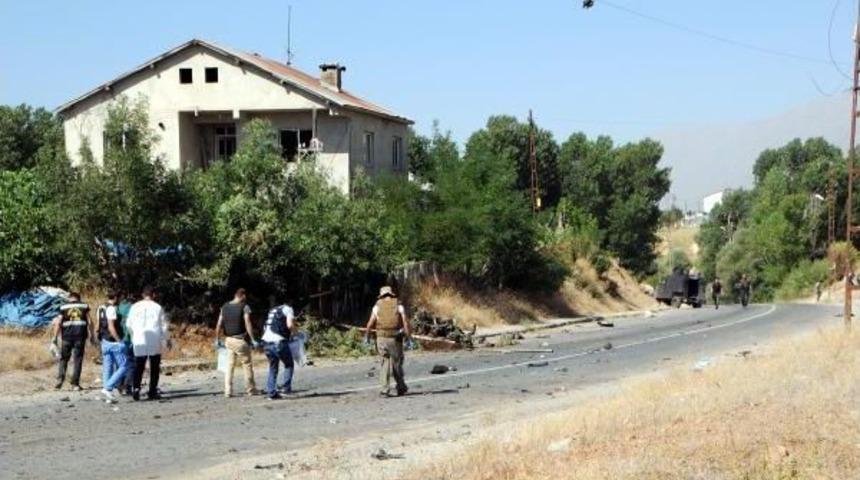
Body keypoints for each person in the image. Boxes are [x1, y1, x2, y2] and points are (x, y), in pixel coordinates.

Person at [364, 286, 414, 397]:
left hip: (381, 339)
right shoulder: (399, 306)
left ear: (381, 295)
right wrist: (409, 338)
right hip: (395, 339)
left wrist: (366, 337)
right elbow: (405, 322)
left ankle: (384, 390)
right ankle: (401, 387)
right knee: (396, 364)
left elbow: (369, 324)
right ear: (391, 294)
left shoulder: (377, 307)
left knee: (384, 363)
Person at [126, 286, 170, 401]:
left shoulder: (135, 307)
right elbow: (164, 326)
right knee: (154, 367)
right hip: (154, 339)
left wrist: (133, 336)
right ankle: (152, 391)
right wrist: (166, 339)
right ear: (153, 295)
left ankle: (136, 388)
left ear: (142, 295)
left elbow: (128, 324)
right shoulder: (157, 307)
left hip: (139, 339)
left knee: (139, 366)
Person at [215, 288, 259, 397]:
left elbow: (219, 324)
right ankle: (251, 389)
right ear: (243, 296)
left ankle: (228, 390)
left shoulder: (224, 307)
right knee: (247, 364)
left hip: (228, 340)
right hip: (240, 340)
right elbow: (248, 323)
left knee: (229, 365)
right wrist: (253, 339)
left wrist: (216, 338)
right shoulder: (244, 307)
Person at [52, 292, 94, 391]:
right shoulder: (84, 306)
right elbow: (90, 322)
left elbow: (58, 322)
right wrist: (92, 335)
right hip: (80, 337)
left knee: (64, 359)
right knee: (78, 360)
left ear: (69, 298)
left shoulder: (63, 307)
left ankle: (60, 380)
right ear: (78, 298)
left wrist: (54, 338)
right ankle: (75, 384)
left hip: (66, 337)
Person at [261, 297, 296, 400]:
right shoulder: (288, 309)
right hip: (278, 342)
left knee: (273, 367)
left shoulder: (273, 310)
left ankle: (271, 392)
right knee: (289, 364)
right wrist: (296, 333)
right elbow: (289, 325)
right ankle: (286, 388)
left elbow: (265, 326)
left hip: (266, 342)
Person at [96, 292, 129, 403]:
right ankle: (108, 387)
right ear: (115, 298)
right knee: (124, 366)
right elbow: (111, 326)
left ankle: (108, 394)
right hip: (112, 341)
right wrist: (119, 340)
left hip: (104, 341)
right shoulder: (111, 309)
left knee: (108, 367)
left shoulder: (101, 307)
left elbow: (98, 325)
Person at [116, 295, 135, 396]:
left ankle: (119, 384)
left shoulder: (118, 308)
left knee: (122, 363)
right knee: (131, 363)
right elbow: (130, 327)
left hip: (119, 339)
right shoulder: (131, 308)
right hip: (128, 339)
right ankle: (128, 386)